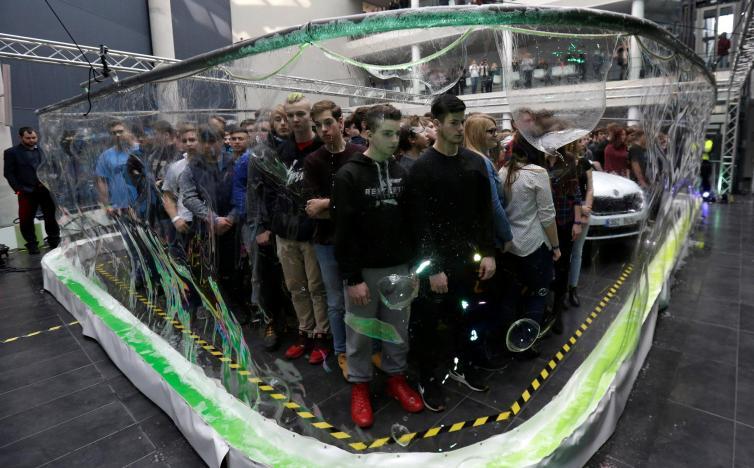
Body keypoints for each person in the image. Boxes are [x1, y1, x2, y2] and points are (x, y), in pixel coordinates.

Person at [332, 104, 423, 428]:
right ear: (368, 133)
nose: (394, 139)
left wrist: (414, 268)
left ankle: (396, 377)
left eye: (396, 133)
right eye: (386, 133)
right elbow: (343, 231)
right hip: (364, 273)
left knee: (398, 328)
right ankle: (360, 385)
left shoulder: (404, 171)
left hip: (400, 267)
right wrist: (352, 277)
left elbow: (414, 223)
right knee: (360, 332)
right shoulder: (349, 174)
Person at [405, 94, 495, 411]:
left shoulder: (474, 164)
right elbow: (419, 225)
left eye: (462, 121)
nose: (460, 128)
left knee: (464, 315)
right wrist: (432, 269)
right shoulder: (422, 169)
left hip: (465, 260)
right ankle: (427, 378)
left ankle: (462, 365)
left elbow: (484, 214)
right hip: (435, 264)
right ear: (437, 123)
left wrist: (488, 252)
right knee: (428, 324)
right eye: (454, 123)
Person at [255, 93, 329, 363]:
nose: (295, 119)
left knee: (317, 287)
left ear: (311, 116)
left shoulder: (322, 149)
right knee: (295, 287)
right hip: (285, 232)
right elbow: (270, 192)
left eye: (301, 114)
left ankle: (322, 335)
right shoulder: (281, 151)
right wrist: (271, 225)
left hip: (314, 233)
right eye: (290, 115)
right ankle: (305, 332)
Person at [304, 100, 366, 377]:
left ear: (341, 122)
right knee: (336, 301)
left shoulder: (360, 153)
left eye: (328, 123)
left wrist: (329, 205)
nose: (324, 130)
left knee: (361, 299)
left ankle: (364, 349)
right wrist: (344, 206)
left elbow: (365, 203)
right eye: (318, 126)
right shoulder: (313, 160)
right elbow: (311, 208)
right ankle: (342, 351)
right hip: (326, 241)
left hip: (358, 240)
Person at [499, 140, 559, 344]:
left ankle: (509, 339)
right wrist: (556, 246)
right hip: (534, 245)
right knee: (538, 293)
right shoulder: (537, 173)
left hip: (510, 245)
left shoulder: (504, 171)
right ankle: (526, 342)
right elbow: (547, 215)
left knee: (511, 294)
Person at [3, 126, 60, 253]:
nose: (31, 140)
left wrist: (53, 183)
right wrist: (18, 190)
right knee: (26, 220)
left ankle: (54, 240)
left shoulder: (45, 150)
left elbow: (53, 168)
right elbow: (8, 173)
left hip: (45, 190)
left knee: (50, 217)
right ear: (20, 137)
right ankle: (32, 244)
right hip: (26, 192)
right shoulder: (11, 152)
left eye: (34, 137)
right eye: (28, 138)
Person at [546, 143, 583, 333]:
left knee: (562, 267)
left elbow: (575, 191)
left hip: (565, 220)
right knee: (545, 266)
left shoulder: (568, 159)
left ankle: (557, 311)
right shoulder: (537, 158)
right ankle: (546, 306)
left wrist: (577, 222)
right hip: (543, 223)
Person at [567, 138, 594, 307]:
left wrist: (587, 206)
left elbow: (590, 188)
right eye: (579, 141)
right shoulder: (563, 162)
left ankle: (573, 288)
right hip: (567, 213)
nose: (583, 143)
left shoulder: (584, 163)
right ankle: (561, 290)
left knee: (577, 252)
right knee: (563, 254)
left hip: (583, 211)